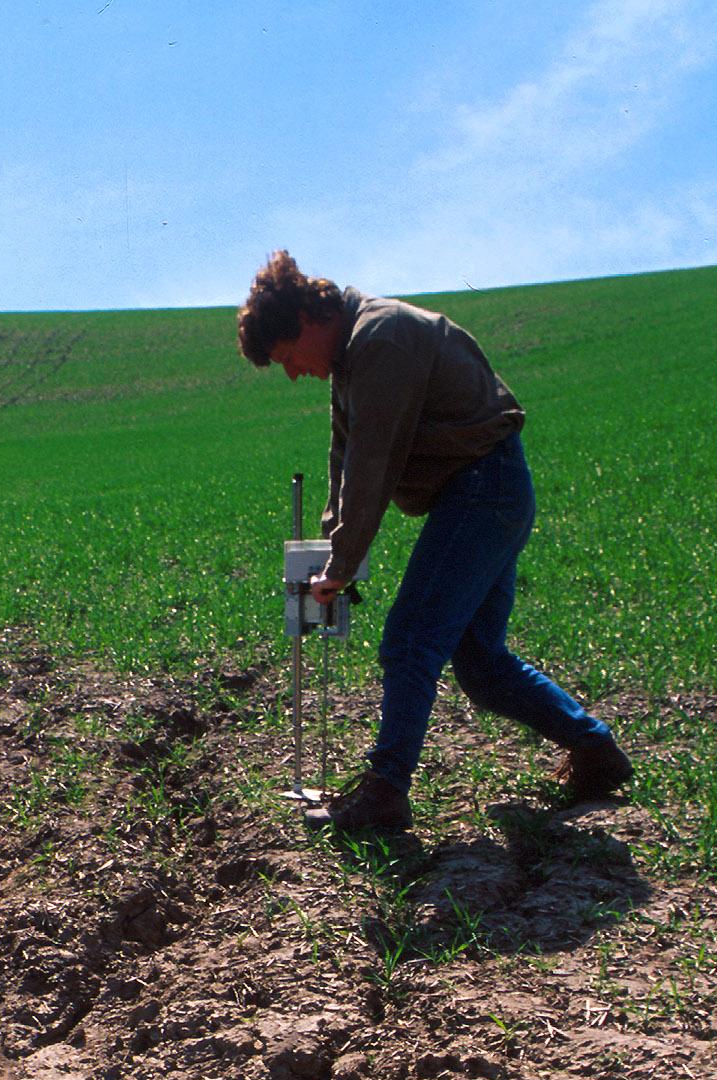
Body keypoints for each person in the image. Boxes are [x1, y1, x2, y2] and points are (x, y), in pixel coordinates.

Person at [238, 251, 631, 834]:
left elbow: (374, 462)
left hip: (483, 488)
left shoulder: (382, 338)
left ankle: (386, 791)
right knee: (479, 662)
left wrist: (343, 566)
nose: (295, 374)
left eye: (289, 359)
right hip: (479, 494)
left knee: (411, 640)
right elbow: (343, 464)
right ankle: (596, 750)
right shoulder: (351, 358)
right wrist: (328, 551)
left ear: (305, 322)